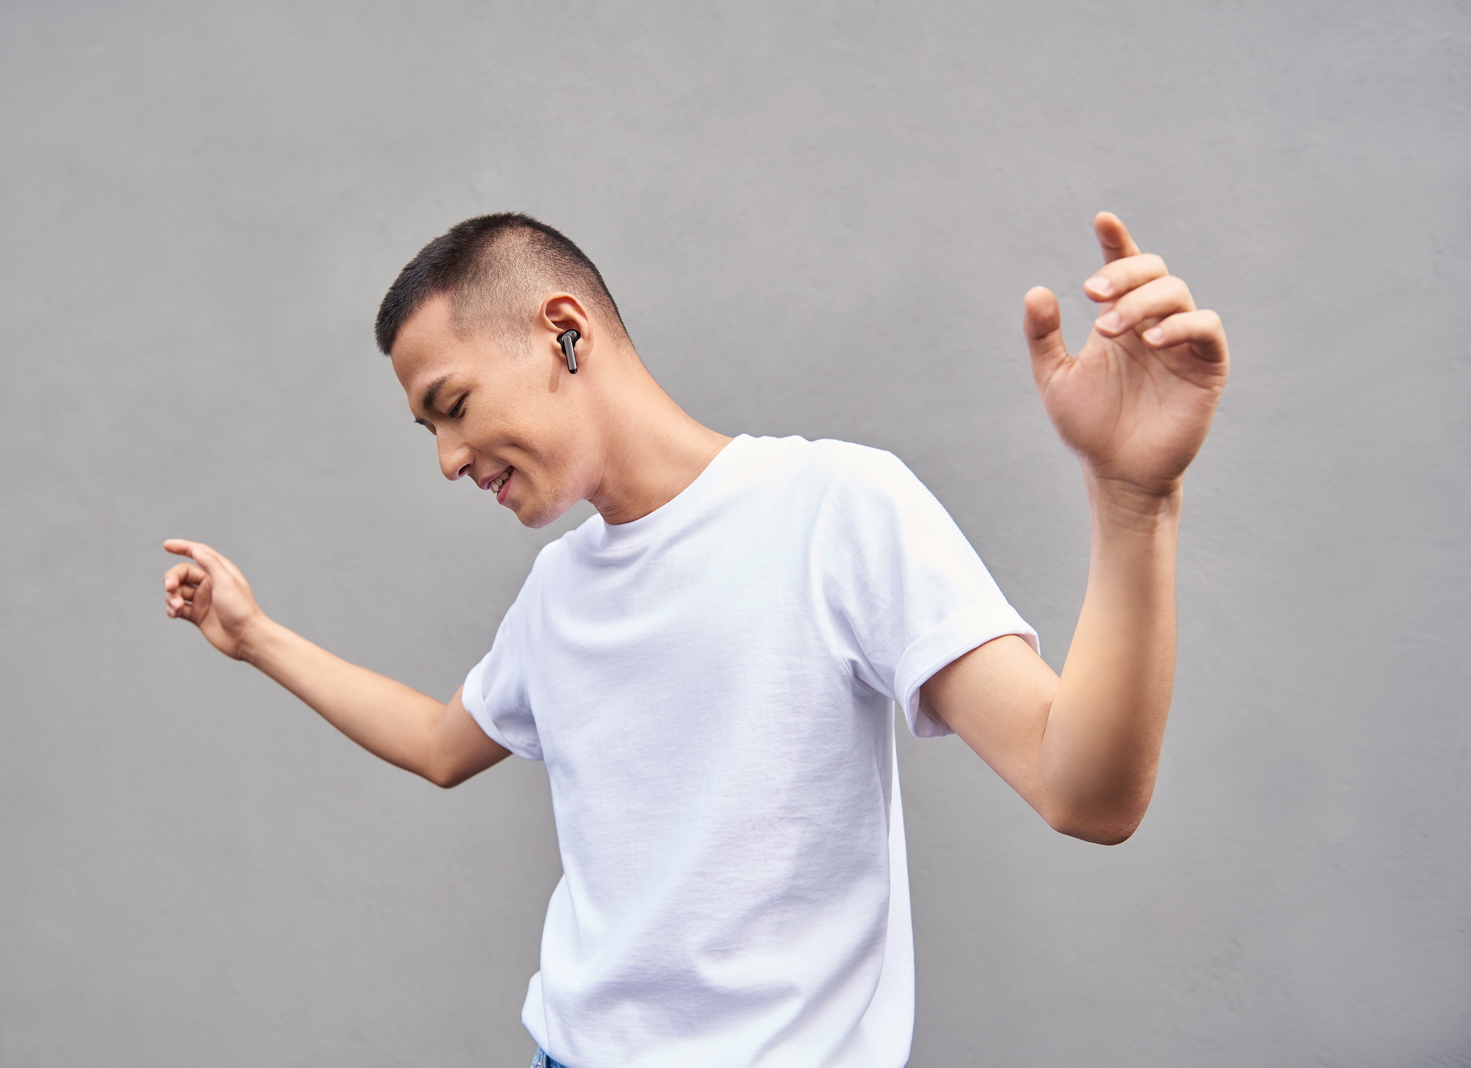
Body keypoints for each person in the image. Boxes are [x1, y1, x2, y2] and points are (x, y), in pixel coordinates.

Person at [161, 211, 1229, 1068]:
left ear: (563, 330)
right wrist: (253, 637)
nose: (447, 458)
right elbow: (443, 743)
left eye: (453, 405)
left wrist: (1132, 501)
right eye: (427, 429)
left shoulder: (834, 507)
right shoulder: (557, 592)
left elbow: (1085, 794)